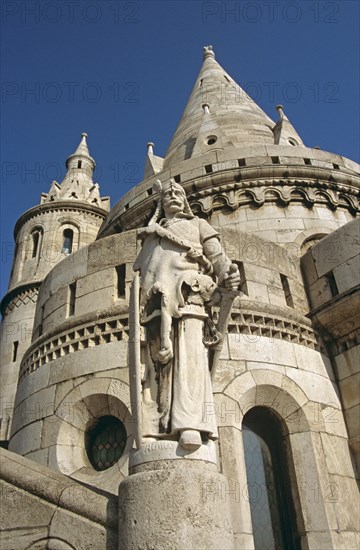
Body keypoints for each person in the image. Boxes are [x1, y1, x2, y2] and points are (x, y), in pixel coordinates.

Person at [133, 179, 240, 450]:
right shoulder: (151, 236)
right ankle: (159, 424)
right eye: (168, 194)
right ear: (160, 202)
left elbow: (218, 258)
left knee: (190, 358)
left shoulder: (198, 225)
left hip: (191, 297)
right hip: (154, 307)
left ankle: (190, 424)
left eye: (178, 193)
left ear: (186, 201)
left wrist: (228, 271)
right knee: (159, 367)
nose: (173, 196)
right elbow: (142, 273)